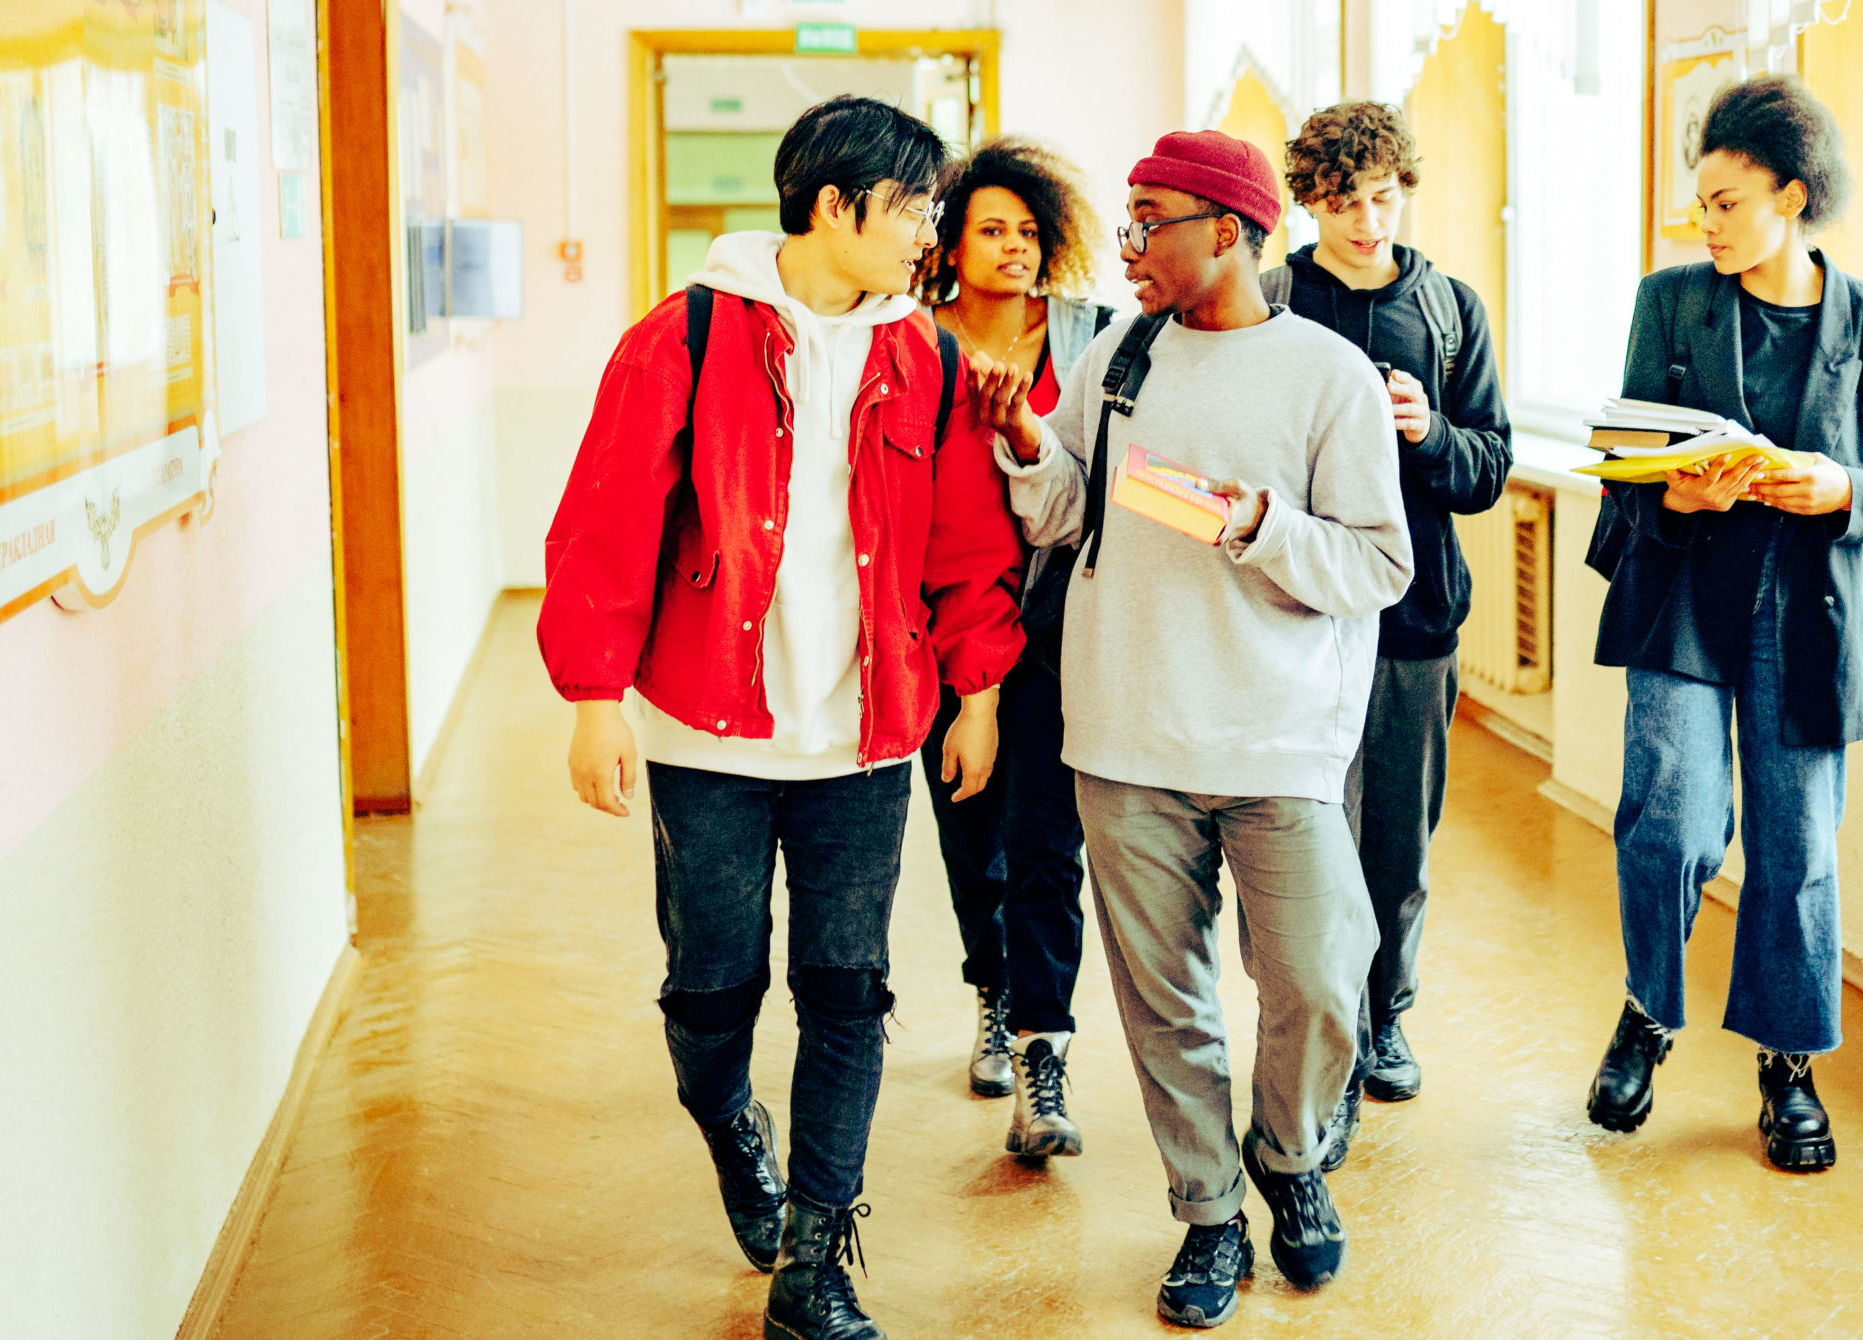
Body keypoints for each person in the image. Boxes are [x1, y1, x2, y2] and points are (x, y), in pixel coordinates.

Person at [538, 95, 1024, 1340]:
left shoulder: (923, 359)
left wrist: (975, 692)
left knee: (846, 988)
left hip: (864, 736)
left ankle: (817, 1251)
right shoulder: (683, 338)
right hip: (706, 732)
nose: (930, 234)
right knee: (712, 992)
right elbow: (605, 526)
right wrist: (594, 698)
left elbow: (967, 542)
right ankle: (730, 1123)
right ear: (835, 204)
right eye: (915, 207)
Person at [966, 130, 1411, 1329]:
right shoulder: (1121, 355)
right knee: (1164, 998)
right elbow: (1065, 510)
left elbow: (1377, 562)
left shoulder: (1330, 376)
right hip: (1127, 734)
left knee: (1321, 981)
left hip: (1278, 739)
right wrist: (1020, 443)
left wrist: (1257, 522)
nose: (1129, 247)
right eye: (1127, 222)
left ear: (1228, 229)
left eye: (1150, 221)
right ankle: (1210, 1210)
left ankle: (1286, 1154)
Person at [1582, 73, 1863, 1173]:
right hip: (1686, 596)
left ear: (1792, 195)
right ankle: (1650, 1006)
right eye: (1700, 203)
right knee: (1673, 821)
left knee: (1796, 851)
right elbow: (1625, 451)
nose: (1708, 222)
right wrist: (1671, 491)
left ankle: (1787, 1063)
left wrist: (1836, 486)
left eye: (1727, 201)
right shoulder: (1670, 299)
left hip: (1815, 614)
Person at [1269, 101, 1511, 1141]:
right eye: (1342, 200)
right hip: (1290, 616)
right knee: (1299, 832)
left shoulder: (1451, 307)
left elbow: (1489, 466)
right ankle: (1313, 1024)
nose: (1367, 219)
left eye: (1383, 195)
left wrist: (1428, 430)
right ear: (1310, 201)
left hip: (1413, 618)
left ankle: (1385, 1015)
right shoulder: (1272, 297)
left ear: (1404, 189)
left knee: (1396, 843)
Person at [912, 137, 1110, 1160]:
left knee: (1046, 842)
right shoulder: (913, 339)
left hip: (1060, 623)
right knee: (967, 829)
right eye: (991, 230)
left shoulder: (1086, 335)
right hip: (940, 625)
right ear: (950, 242)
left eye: (1028, 233)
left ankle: (1042, 1040)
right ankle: (989, 985)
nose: (1013, 249)